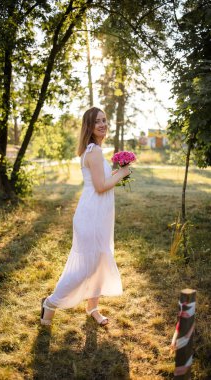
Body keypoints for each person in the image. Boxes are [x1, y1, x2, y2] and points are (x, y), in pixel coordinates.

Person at [40, 106, 131, 326]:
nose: (102, 124)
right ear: (88, 127)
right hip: (91, 215)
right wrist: (123, 172)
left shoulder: (94, 150)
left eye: (104, 120)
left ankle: (93, 308)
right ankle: (50, 304)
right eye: (96, 121)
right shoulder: (94, 151)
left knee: (99, 261)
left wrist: (117, 171)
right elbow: (100, 186)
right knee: (85, 267)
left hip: (100, 214)